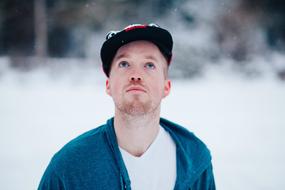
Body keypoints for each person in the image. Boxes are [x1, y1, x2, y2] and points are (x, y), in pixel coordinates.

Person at [38, 23, 215, 190]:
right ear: (108, 85)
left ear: (166, 87)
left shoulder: (195, 159)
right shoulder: (70, 166)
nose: (136, 75)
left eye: (149, 65)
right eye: (124, 64)